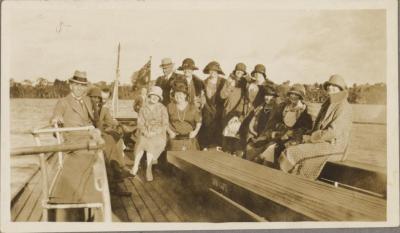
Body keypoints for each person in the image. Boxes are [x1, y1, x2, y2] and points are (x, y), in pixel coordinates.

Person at [278, 75, 352, 180]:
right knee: (287, 146)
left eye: (334, 86)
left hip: (335, 147)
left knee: (291, 152)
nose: (330, 88)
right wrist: (305, 135)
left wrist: (311, 138)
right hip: (323, 142)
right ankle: (290, 181)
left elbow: (333, 132)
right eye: (329, 86)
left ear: (341, 89)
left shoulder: (344, 107)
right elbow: (318, 127)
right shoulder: (328, 104)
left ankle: (288, 182)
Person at [247, 84, 313, 165]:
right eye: (291, 94)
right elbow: (274, 122)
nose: (293, 96)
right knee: (253, 147)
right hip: (278, 135)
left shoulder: (305, 111)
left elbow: (305, 129)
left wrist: (291, 134)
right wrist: (275, 131)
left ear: (300, 97)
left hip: (292, 140)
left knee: (271, 150)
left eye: (296, 95)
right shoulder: (283, 107)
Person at [87, 87, 132, 196]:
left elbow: (109, 121)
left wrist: (119, 125)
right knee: (109, 141)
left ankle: (117, 170)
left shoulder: (104, 109)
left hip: (99, 133)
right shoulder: (86, 107)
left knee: (113, 139)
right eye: (97, 98)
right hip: (89, 135)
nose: (100, 101)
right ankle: (118, 171)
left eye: (103, 99)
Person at [130, 86, 169, 181]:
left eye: (157, 96)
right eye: (153, 95)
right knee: (142, 141)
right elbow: (140, 123)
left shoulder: (162, 108)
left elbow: (165, 124)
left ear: (159, 98)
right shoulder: (143, 108)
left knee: (150, 143)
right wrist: (145, 132)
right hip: (145, 132)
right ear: (149, 96)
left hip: (159, 134)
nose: (155, 98)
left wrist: (154, 132)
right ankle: (135, 166)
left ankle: (149, 169)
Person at [220, 63, 253, 157]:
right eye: (238, 71)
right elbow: (222, 95)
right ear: (235, 71)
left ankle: (233, 157)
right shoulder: (229, 81)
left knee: (236, 137)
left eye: (242, 72)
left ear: (244, 74)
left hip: (239, 114)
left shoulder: (246, 84)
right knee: (226, 137)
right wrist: (231, 86)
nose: (239, 73)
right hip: (228, 112)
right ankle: (224, 156)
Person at [198, 61, 226, 150]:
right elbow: (201, 95)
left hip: (219, 109)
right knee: (206, 128)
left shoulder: (223, 82)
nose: (212, 73)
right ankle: (205, 148)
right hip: (207, 109)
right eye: (210, 71)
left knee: (218, 130)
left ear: (218, 72)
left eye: (214, 71)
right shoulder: (204, 82)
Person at [167, 81, 202, 151]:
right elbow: (164, 121)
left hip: (189, 138)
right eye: (176, 94)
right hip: (174, 138)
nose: (178, 96)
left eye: (180, 94)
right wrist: (170, 132)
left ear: (185, 95)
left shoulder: (192, 107)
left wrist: (195, 132)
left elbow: (199, 121)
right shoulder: (170, 106)